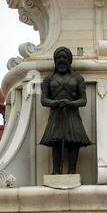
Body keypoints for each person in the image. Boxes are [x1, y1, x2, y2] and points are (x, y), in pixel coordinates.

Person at [39, 46, 90, 175]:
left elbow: (83, 100)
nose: (62, 60)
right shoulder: (48, 79)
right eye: (59, 58)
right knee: (55, 142)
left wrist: (71, 103)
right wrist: (55, 103)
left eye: (64, 57)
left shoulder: (78, 79)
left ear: (70, 60)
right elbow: (44, 100)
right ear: (55, 60)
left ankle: (72, 171)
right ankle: (56, 171)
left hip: (72, 114)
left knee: (74, 142)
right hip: (56, 114)